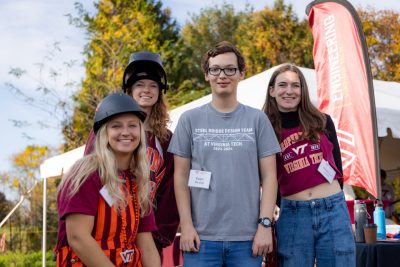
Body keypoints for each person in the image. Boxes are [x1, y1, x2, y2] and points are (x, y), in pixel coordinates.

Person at [168, 41, 281, 266]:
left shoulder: (257, 120)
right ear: (207, 75)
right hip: (200, 239)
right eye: (215, 69)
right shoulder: (189, 120)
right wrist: (186, 226)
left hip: (248, 239)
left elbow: (269, 177)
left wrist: (264, 226)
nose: (223, 75)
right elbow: (180, 177)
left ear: (241, 74)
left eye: (230, 69)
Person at [84, 51, 179, 256]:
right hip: (107, 229)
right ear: (129, 90)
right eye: (140, 85)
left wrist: (158, 237)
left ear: (160, 91)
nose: (146, 90)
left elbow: (170, 192)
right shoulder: (107, 129)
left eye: (153, 85)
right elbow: (90, 176)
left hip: (147, 233)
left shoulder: (166, 139)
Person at [262, 63, 355, 267]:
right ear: (272, 90)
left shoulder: (322, 121)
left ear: (302, 91)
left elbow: (337, 169)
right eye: (283, 85)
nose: (289, 91)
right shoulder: (263, 128)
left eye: (296, 85)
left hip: (333, 209)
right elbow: (264, 177)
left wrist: (336, 206)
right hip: (293, 214)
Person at [55, 93, 161, 266]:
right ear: (104, 133)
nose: (125, 132)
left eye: (132, 126)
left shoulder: (139, 180)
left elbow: (147, 245)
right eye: (116, 126)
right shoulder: (86, 174)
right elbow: (78, 237)